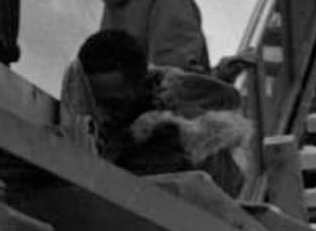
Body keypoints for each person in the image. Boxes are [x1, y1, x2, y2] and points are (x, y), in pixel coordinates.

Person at [61, 30, 248, 179]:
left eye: (111, 105)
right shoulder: (98, 115)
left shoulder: (168, 141)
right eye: (92, 102)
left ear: (138, 87)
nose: (100, 115)